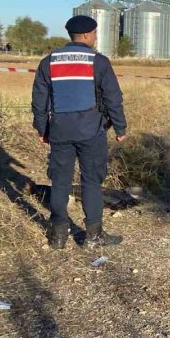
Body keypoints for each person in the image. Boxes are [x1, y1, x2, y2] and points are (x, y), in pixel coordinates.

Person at [31, 15, 127, 249]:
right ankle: (93, 236)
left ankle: (58, 236)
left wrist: (42, 129)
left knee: (60, 182)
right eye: (95, 33)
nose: (95, 37)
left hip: (60, 130)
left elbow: (39, 100)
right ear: (86, 35)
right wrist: (120, 127)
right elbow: (113, 97)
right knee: (91, 182)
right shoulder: (99, 61)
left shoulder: (48, 61)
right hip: (91, 131)